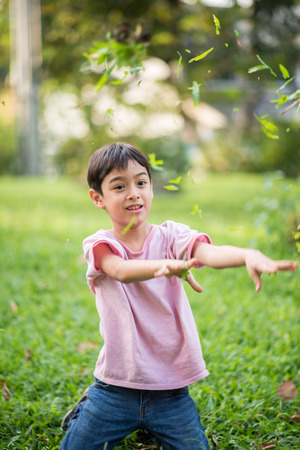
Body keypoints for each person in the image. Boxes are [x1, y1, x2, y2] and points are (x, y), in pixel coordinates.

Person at [60, 142, 297, 450]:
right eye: (119, 186)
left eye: (141, 182)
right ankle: (88, 408)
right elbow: (118, 269)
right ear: (98, 198)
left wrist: (247, 254)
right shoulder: (99, 244)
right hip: (114, 389)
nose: (133, 193)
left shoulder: (171, 236)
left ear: (151, 187)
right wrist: (163, 266)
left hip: (172, 393)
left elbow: (209, 253)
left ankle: (150, 424)